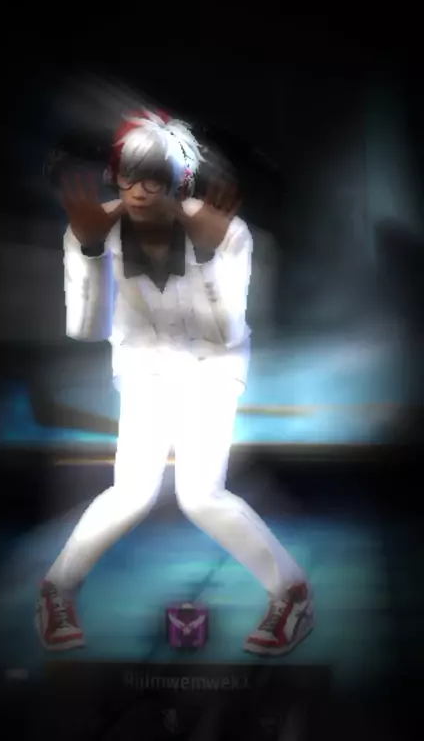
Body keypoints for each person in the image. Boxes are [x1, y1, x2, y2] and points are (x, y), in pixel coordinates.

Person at [35, 108, 313, 656]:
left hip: (213, 370)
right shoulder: (94, 228)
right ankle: (56, 591)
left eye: (155, 178)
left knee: (201, 495)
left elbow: (223, 331)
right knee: (131, 493)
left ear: (178, 180)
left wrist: (208, 258)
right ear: (116, 175)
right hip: (143, 372)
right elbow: (86, 328)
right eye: (130, 175)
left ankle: (291, 592)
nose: (140, 190)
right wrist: (89, 250)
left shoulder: (226, 232)